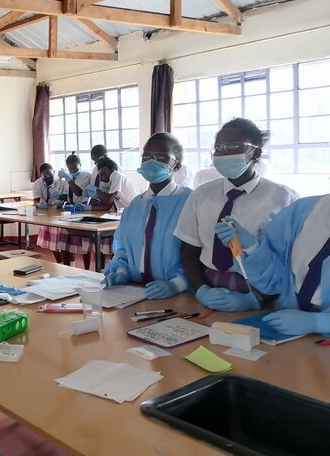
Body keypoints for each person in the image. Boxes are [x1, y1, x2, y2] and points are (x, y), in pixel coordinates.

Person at [174, 118, 298, 312]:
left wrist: (257, 300)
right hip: (208, 291)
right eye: (218, 147)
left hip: (260, 294)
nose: (222, 153)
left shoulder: (283, 198)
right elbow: (190, 250)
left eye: (232, 146)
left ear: (255, 153)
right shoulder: (201, 195)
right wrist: (201, 290)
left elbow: (289, 262)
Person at [215, 195, 330, 336]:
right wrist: (251, 247)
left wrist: (320, 322)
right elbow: (274, 281)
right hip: (286, 321)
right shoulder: (303, 211)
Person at [104, 134, 191, 299]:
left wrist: (178, 283)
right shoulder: (135, 206)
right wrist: (121, 270)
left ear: (177, 165)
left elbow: (199, 252)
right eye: (147, 156)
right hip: (134, 292)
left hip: (179, 296)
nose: (152, 161)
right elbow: (123, 247)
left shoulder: (190, 202)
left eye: (161, 157)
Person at [55, 152, 95, 268]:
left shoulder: (86, 176)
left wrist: (68, 179)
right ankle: (68, 266)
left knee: (84, 243)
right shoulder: (68, 177)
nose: (72, 169)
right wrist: (58, 197)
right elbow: (66, 195)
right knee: (65, 242)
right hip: (69, 210)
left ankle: (86, 268)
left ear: (80, 164)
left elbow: (78, 192)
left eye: (74, 166)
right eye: (69, 167)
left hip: (82, 209)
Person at [33, 163, 64, 264]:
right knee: (53, 241)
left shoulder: (60, 182)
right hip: (47, 214)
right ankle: (59, 262)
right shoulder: (38, 183)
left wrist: (60, 201)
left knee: (63, 240)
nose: (48, 178)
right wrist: (39, 205)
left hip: (60, 212)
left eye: (50, 175)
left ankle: (67, 263)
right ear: (41, 175)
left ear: (53, 172)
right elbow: (36, 201)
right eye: (45, 176)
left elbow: (66, 198)